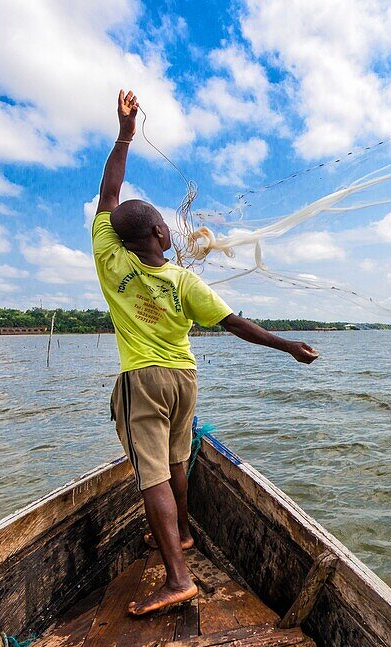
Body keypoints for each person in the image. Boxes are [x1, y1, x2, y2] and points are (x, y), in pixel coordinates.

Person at [93, 89, 319, 616]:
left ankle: (178, 578)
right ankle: (185, 537)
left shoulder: (109, 259)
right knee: (173, 463)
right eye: (164, 224)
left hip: (142, 381)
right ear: (157, 233)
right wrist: (289, 347)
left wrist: (125, 134)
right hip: (182, 381)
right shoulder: (184, 282)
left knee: (153, 475)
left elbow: (108, 193)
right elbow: (238, 326)